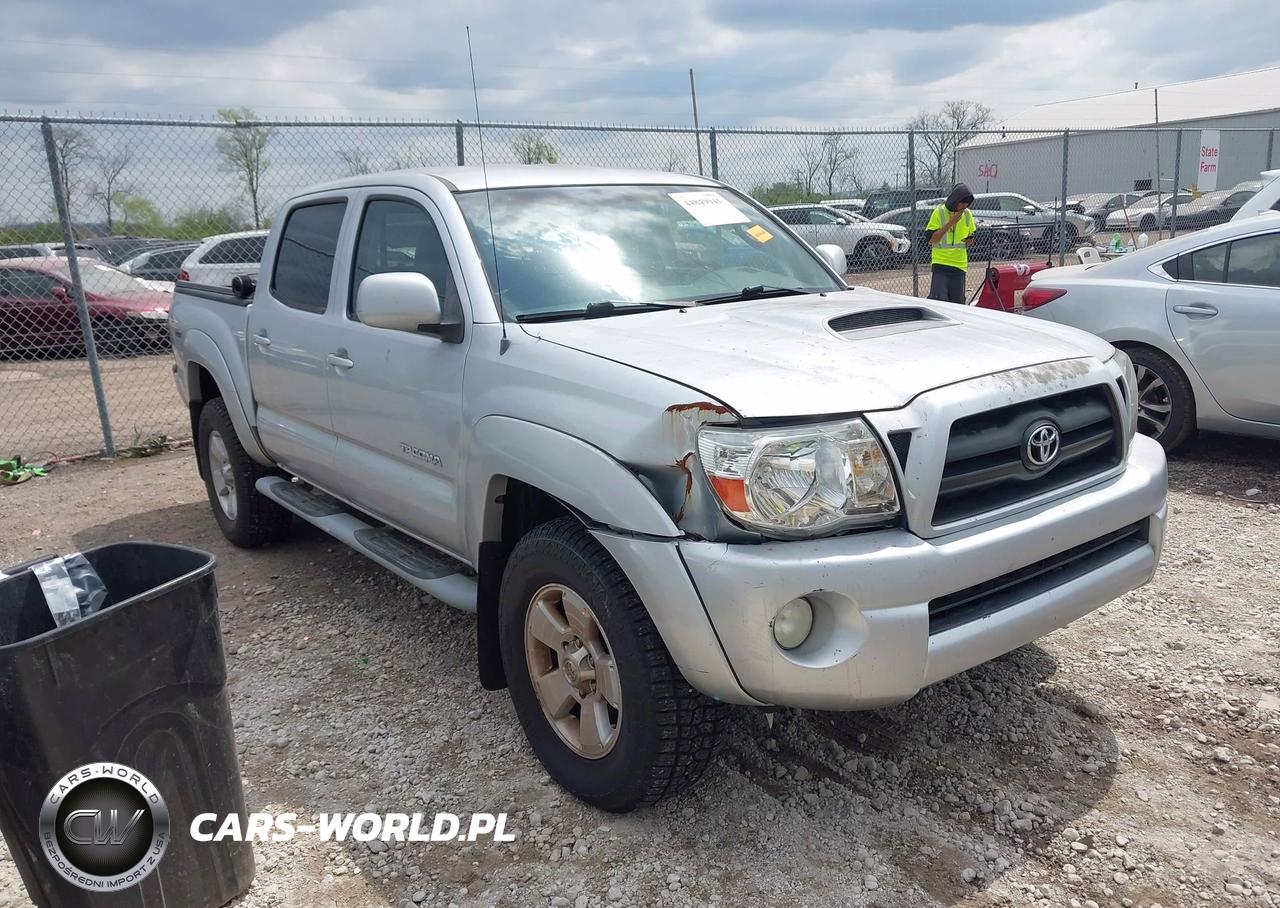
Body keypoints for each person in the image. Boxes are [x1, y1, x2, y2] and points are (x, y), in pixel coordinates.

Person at [925, 183, 977, 303]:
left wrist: (969, 240)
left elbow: (971, 238)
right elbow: (931, 239)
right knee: (939, 302)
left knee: (957, 304)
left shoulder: (967, 214)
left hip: (959, 266)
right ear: (955, 200)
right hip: (941, 264)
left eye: (967, 204)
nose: (965, 206)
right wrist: (950, 223)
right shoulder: (939, 213)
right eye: (962, 203)